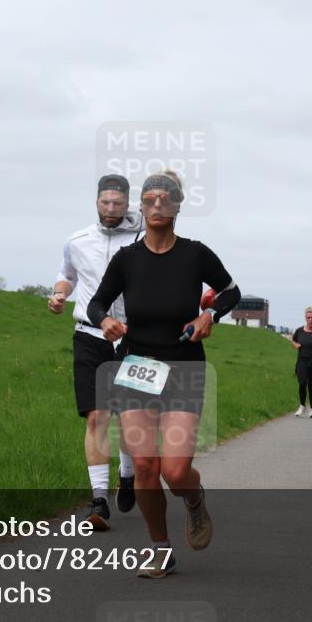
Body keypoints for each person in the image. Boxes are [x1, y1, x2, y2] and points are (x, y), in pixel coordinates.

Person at [88, 169, 240, 579]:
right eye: (150, 199)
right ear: (141, 206)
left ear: (177, 206)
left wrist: (209, 315)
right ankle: (160, 549)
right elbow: (97, 304)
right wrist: (105, 321)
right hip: (137, 366)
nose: (157, 205)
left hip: (184, 367)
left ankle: (193, 498)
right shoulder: (127, 259)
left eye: (165, 199)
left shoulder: (195, 254)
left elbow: (231, 292)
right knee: (144, 466)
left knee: (174, 472)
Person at [50, 174, 142, 530]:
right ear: (96, 202)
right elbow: (67, 274)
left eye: (118, 203)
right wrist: (60, 293)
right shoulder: (78, 241)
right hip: (90, 335)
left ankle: (128, 474)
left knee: (129, 419)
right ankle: (100, 500)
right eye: (105, 202)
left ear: (127, 203)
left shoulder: (142, 237)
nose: (111, 209)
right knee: (96, 417)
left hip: (134, 338)